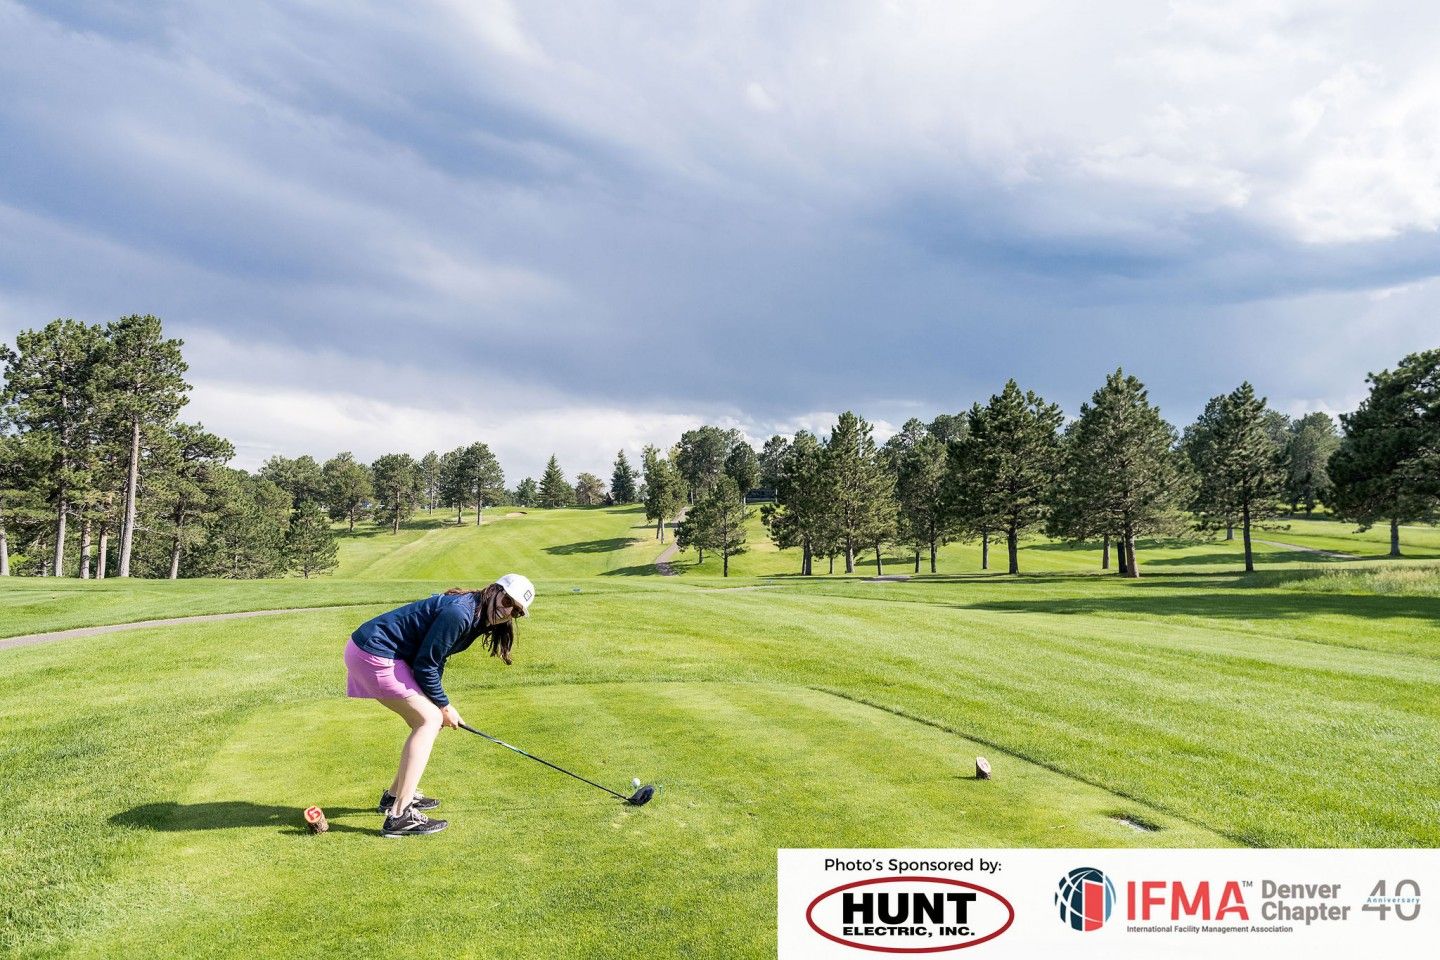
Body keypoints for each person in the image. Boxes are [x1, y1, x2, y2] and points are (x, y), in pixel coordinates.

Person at [343, 573, 535, 837]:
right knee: (429, 720)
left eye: (516, 611)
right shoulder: (461, 613)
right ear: (494, 590)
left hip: (377, 651)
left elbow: (436, 657)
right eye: (507, 600)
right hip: (373, 652)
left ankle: (394, 796)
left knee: (429, 720)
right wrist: (444, 706)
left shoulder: (478, 615)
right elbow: (426, 664)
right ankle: (399, 816)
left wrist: (440, 704)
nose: (507, 611)